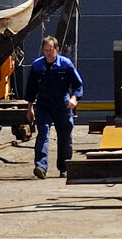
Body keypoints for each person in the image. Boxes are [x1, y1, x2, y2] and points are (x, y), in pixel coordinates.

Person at [25, 34, 82, 177]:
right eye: (45, 50)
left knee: (64, 135)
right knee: (43, 134)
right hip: (43, 104)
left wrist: (74, 99)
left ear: (56, 49)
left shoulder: (66, 64)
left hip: (62, 105)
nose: (48, 53)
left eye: (50, 50)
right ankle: (41, 167)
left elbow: (77, 85)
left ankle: (64, 167)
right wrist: (30, 108)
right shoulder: (37, 66)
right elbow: (31, 89)